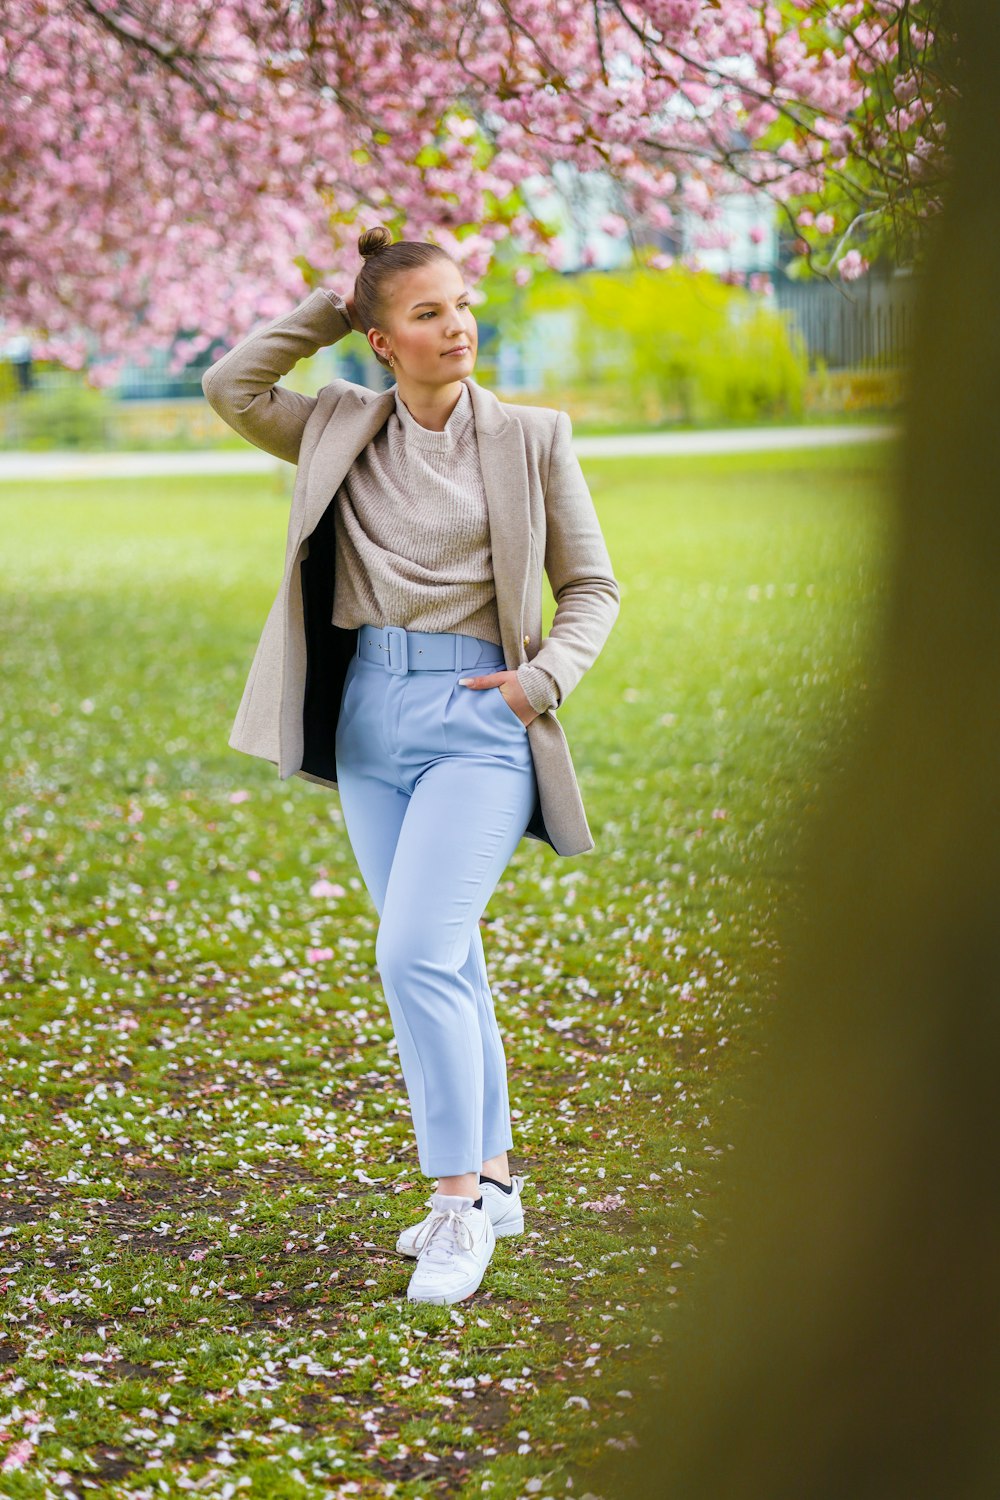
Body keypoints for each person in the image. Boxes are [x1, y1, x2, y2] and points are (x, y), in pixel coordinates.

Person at [201, 225, 620, 1304]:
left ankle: (454, 1209)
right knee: (446, 959)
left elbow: (592, 590)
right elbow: (232, 385)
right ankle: (495, 1177)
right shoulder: (340, 424)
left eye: (464, 305)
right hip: (369, 724)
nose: (458, 327)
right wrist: (334, 308)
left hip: (483, 719)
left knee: (415, 955)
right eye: (427, 313)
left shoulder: (533, 437)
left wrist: (542, 682)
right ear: (382, 341)